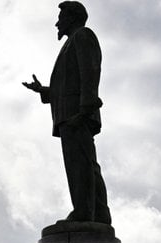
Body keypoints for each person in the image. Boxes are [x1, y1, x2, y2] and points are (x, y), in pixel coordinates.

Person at [23, 1, 111, 225]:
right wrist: (44, 90)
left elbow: (89, 72)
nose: (56, 23)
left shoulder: (83, 36)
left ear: (72, 17)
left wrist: (85, 109)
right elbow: (67, 86)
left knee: (81, 164)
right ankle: (99, 215)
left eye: (61, 17)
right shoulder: (73, 41)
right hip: (70, 115)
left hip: (76, 116)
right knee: (85, 163)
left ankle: (84, 213)